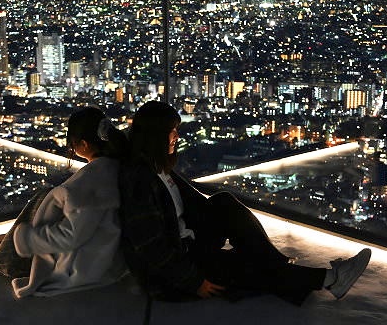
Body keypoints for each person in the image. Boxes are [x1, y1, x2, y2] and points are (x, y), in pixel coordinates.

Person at [117, 101, 371, 305]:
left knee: (224, 203)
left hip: (188, 239)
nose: (176, 136)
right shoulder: (140, 180)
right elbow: (151, 246)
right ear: (154, 136)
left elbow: (116, 141)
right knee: (247, 267)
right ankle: (332, 279)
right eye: (170, 131)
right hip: (174, 270)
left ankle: (278, 268)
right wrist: (193, 281)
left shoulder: (156, 167)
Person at [0, 107, 128, 298]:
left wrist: (27, 239)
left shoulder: (89, 182)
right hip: (106, 255)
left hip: (82, 265)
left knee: (40, 202)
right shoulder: (117, 168)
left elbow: (71, 235)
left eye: (72, 142)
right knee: (42, 205)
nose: (70, 147)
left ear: (84, 145)